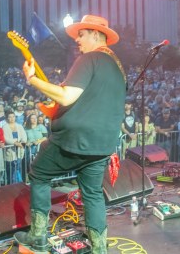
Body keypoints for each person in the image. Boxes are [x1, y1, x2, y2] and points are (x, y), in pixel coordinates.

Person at [14, 14, 126, 254]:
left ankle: (38, 236)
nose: (77, 39)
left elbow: (67, 97)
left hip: (74, 140)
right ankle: (99, 249)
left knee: (40, 174)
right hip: (103, 144)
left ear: (96, 35)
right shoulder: (117, 67)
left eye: (82, 34)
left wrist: (32, 79)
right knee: (93, 194)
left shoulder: (89, 59)